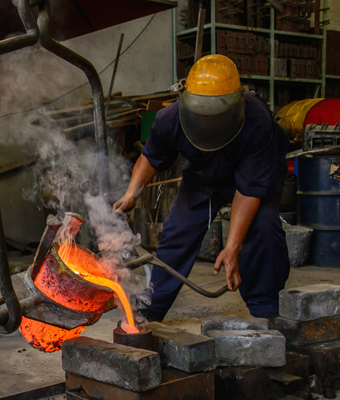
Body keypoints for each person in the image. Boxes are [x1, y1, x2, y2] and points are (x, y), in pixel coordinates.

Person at [113, 54, 290, 321]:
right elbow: (150, 157)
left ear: (236, 102)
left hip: (256, 170)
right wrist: (131, 194)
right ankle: (149, 311)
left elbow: (249, 191)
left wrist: (232, 247)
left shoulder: (256, 121)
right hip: (205, 173)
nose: (208, 124)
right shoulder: (170, 118)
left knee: (263, 226)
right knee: (177, 232)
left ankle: (266, 309)